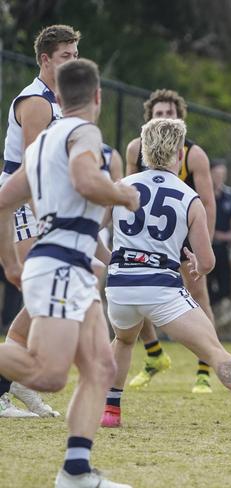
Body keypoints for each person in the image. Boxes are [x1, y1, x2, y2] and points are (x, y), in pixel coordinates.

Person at [100, 117, 231, 435]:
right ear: (179, 155)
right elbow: (207, 260)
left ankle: (110, 410)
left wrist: (113, 261)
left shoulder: (120, 188)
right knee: (214, 350)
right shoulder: (190, 198)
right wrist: (197, 265)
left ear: (145, 151)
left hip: (120, 286)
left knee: (122, 340)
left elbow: (90, 232)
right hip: (161, 286)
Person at [0, 58, 139, 487]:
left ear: (58, 98)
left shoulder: (40, 144)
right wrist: (123, 195)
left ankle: (76, 472)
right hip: (61, 260)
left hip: (69, 264)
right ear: (98, 97)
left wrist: (11, 262)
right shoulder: (86, 132)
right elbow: (85, 179)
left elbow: (4, 199)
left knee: (99, 365)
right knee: (49, 374)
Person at [0, 24, 81, 418]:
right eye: (66, 56)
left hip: (38, 204)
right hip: (20, 203)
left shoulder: (59, 102)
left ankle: (16, 379)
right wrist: (44, 215)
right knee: (35, 289)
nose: (73, 63)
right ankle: (4, 386)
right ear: (45, 60)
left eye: (76, 55)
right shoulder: (36, 102)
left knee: (42, 293)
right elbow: (31, 169)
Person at [125, 89, 216, 393]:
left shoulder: (193, 154)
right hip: (148, 236)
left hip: (185, 235)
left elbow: (208, 204)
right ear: (149, 118)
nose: (165, 118)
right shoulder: (136, 148)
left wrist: (205, 246)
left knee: (198, 295)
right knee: (134, 292)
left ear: (181, 119)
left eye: (170, 113)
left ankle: (205, 367)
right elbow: (126, 197)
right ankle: (154, 355)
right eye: (159, 113)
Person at [208, 160, 231, 307]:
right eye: (216, 174)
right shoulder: (203, 194)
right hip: (207, 245)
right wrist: (221, 235)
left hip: (224, 248)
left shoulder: (229, 194)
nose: (220, 177)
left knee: (225, 286)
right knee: (207, 285)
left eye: (223, 174)